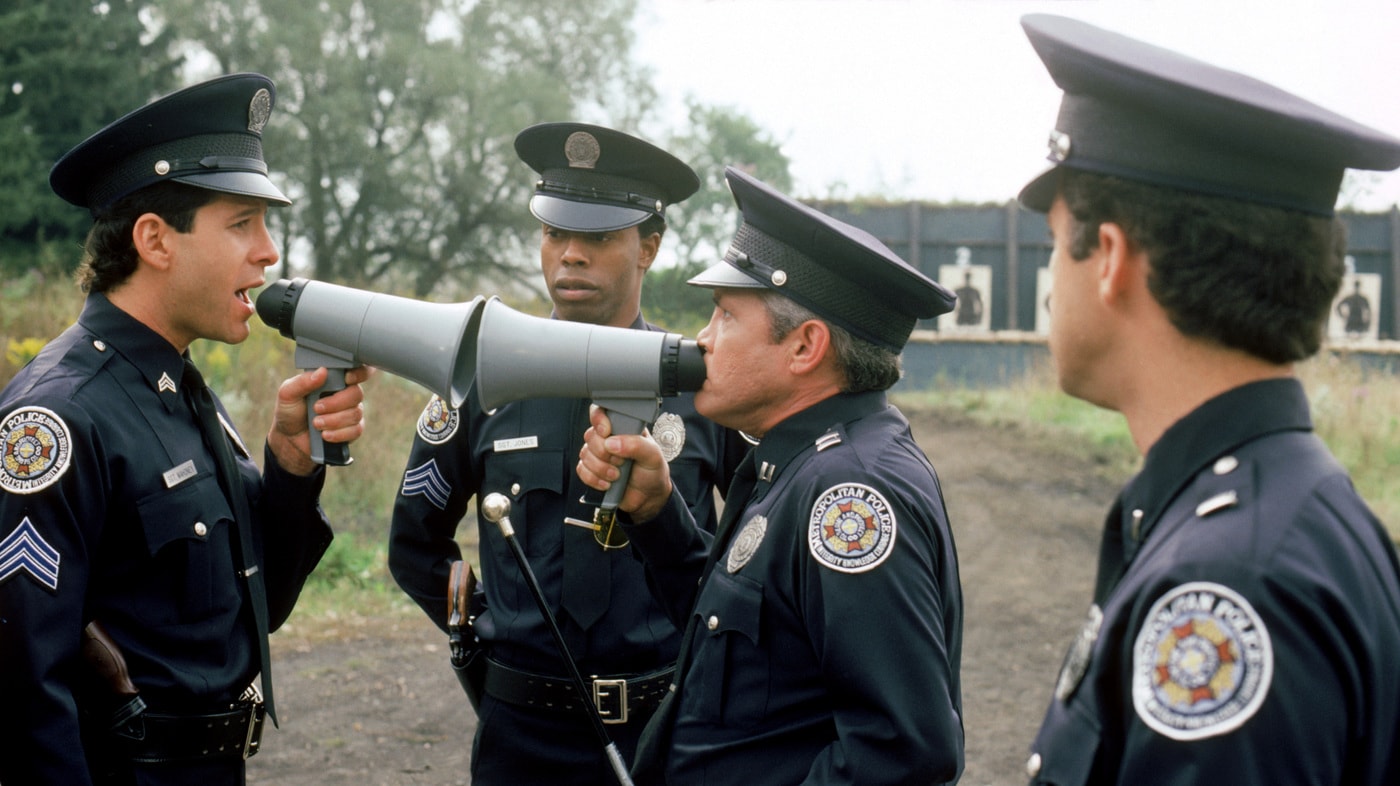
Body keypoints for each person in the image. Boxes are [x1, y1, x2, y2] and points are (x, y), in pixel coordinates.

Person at [1013, 14, 1400, 786]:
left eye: (1056, 244)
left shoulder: (1229, 585)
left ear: (1110, 258)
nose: (1052, 281)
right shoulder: (1292, 511)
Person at [0, 73, 369, 785]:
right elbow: (21, 693)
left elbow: (258, 608)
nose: (268, 252)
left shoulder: (180, 388)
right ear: (154, 241)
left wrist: (292, 461)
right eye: (242, 224)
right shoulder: (57, 419)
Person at [577, 166, 965, 785]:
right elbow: (734, 643)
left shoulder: (848, 493)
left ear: (805, 347)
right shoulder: (800, 460)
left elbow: (901, 752)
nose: (703, 339)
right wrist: (656, 514)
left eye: (726, 315)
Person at [387, 122, 743, 783]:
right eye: (555, 233)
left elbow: (758, 545)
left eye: (599, 238)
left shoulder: (703, 386)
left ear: (649, 247)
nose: (571, 255)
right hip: (522, 738)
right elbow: (415, 542)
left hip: (667, 728)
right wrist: (492, 630)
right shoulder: (481, 378)